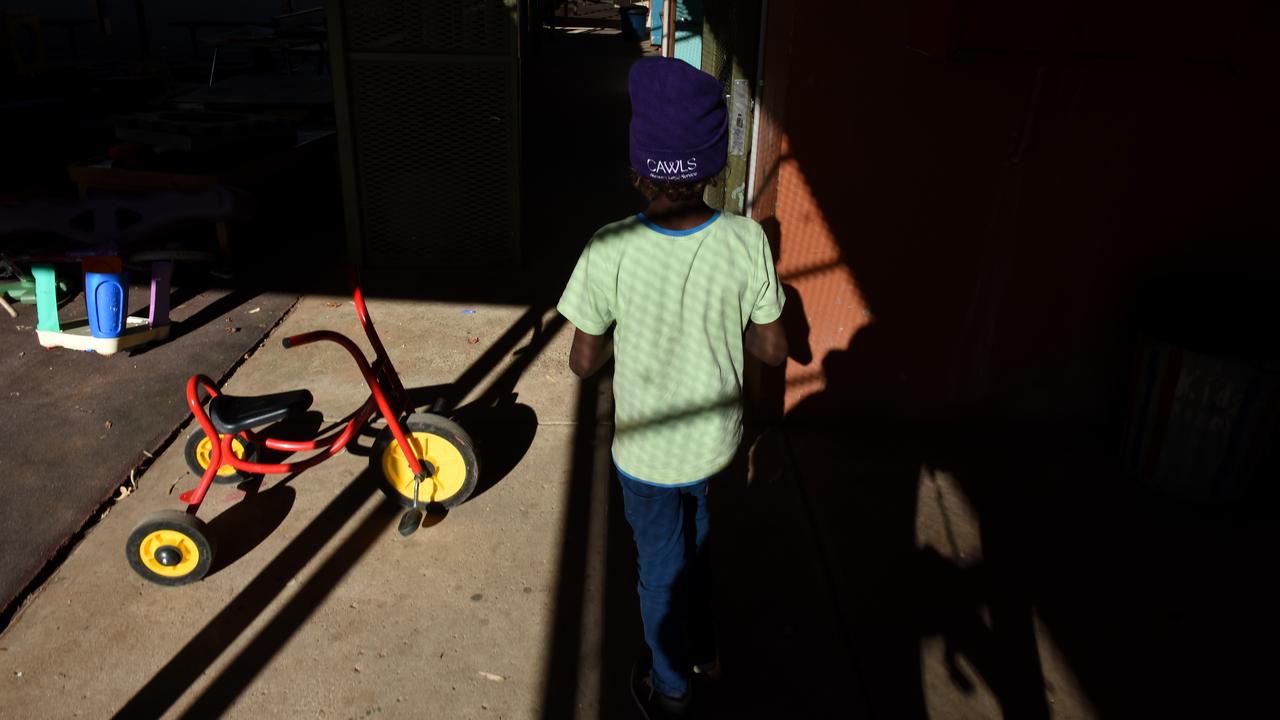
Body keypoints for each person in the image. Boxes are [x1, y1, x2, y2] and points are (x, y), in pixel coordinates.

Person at [556, 56, 788, 719]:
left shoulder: (609, 247)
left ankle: (672, 687)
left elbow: (581, 362)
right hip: (715, 446)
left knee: (659, 566)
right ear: (713, 162)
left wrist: (615, 334)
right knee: (700, 543)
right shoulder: (746, 241)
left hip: (648, 455)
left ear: (641, 163)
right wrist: (740, 317)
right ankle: (707, 651)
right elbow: (772, 348)